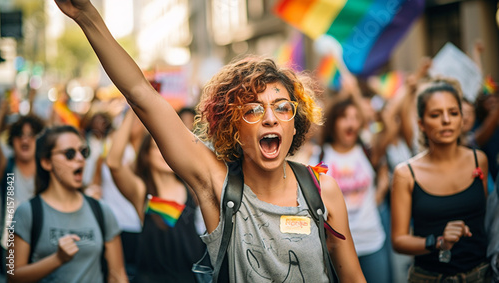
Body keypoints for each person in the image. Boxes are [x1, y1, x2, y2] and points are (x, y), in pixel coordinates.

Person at [53, 1, 366, 281]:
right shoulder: (217, 185)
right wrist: (86, 15)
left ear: (294, 125)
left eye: (282, 107)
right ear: (234, 128)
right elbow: (141, 95)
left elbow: (351, 275)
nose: (271, 118)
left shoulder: (322, 191)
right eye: (254, 110)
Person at [391, 78, 490, 282]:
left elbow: (486, 219)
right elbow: (399, 241)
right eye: (435, 115)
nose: (446, 120)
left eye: (453, 113)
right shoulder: (406, 173)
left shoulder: (478, 159)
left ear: (462, 118)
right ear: (422, 124)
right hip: (429, 277)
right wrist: (437, 242)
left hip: (481, 274)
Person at [9, 125, 127, 283]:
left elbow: (118, 275)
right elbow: (12, 275)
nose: (80, 158)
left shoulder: (101, 210)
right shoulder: (27, 212)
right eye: (69, 154)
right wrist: (57, 259)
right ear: (46, 162)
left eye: (84, 152)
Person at [107, 110, 205, 282]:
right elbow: (113, 163)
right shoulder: (141, 192)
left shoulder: (191, 188)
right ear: (146, 154)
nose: (165, 153)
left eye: (169, 147)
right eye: (158, 147)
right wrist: (132, 110)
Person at [309, 97, 391, 283]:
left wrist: (378, 194)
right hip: (337, 247)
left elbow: (389, 129)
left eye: (355, 117)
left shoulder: (367, 151)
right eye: (344, 117)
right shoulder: (319, 157)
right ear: (333, 123)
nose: (351, 122)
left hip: (372, 242)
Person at [0, 112, 45, 278]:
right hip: (9, 244)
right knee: (13, 278)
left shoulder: (46, 170)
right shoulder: (6, 167)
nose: (25, 140)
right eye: (20, 135)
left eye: (31, 136)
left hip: (42, 244)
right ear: (12, 140)